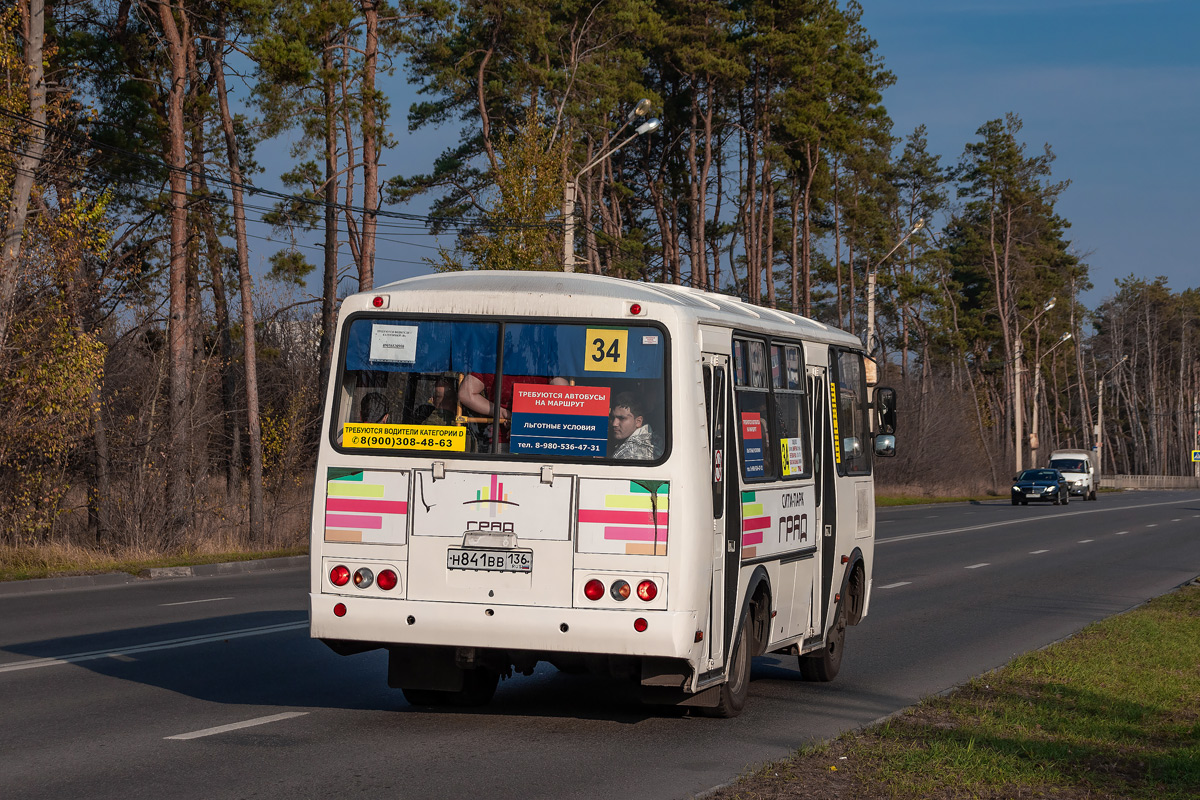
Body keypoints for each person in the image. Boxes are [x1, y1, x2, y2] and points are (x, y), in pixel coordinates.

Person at [610, 392, 658, 460]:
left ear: (638, 421)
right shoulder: (652, 440)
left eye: (622, 418)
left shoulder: (631, 454)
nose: (614, 424)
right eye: (612, 418)